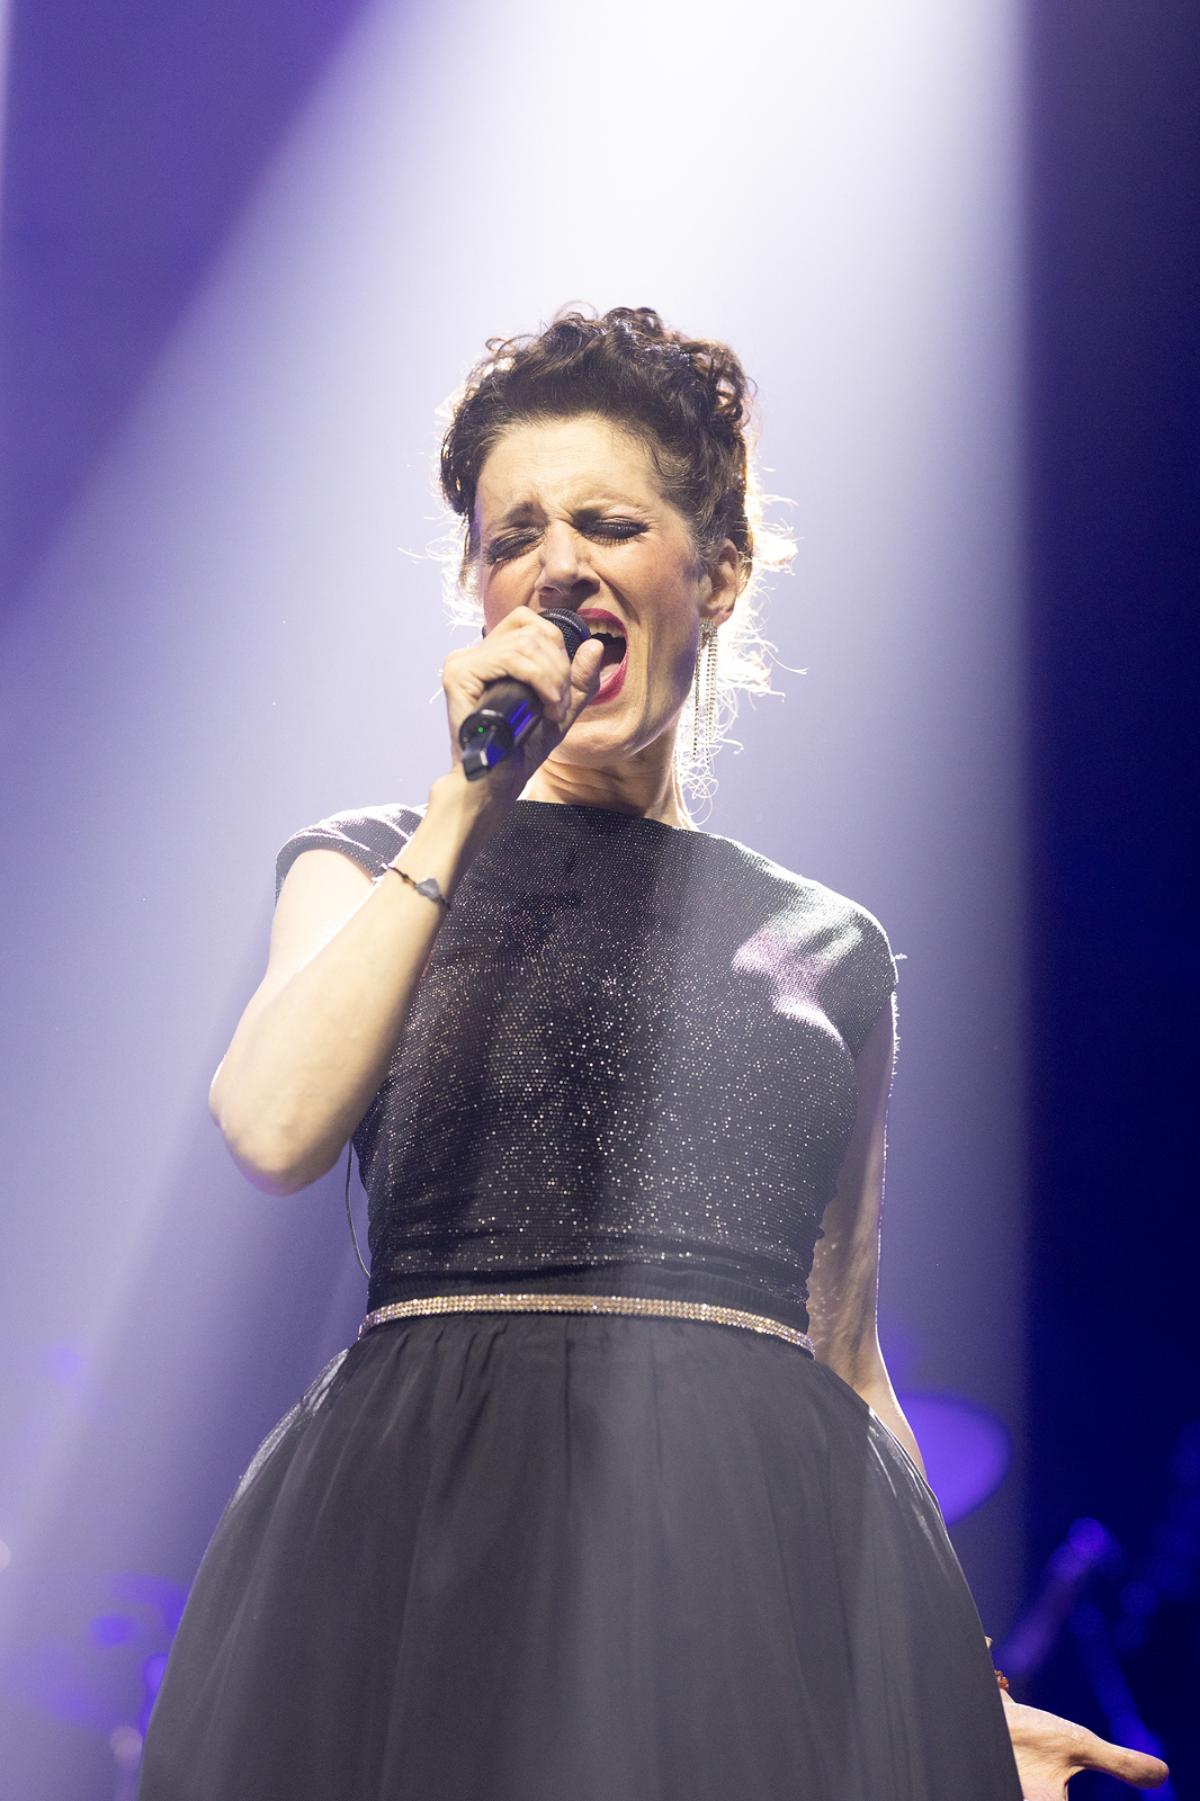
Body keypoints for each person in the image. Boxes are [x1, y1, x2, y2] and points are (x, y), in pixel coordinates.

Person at [137, 306, 1167, 1800]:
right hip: (439, 1534)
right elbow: (271, 1126)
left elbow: (849, 1357)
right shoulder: (368, 859)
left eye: (609, 524)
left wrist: (958, 1690)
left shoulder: (829, 944)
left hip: (739, 1573)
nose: (558, 565)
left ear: (719, 572)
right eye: (514, 536)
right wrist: (465, 806)